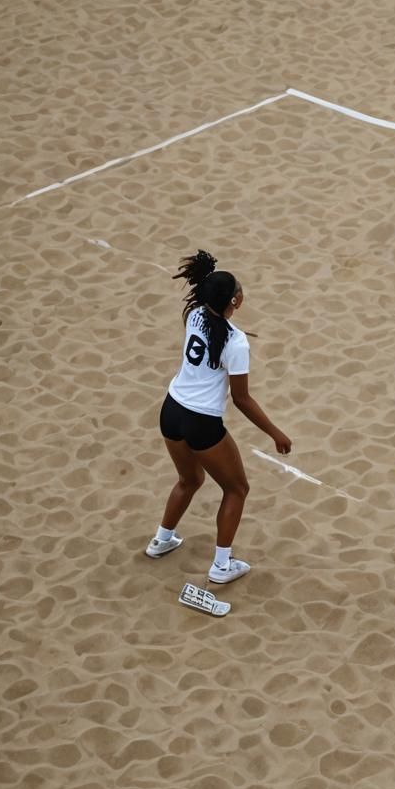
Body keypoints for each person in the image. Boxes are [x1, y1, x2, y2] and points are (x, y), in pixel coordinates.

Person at [143, 250, 292, 585]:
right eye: (238, 288)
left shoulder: (195, 314)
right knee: (237, 488)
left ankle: (162, 540)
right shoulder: (236, 343)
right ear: (235, 301)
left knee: (189, 480)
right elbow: (241, 399)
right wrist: (275, 432)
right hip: (202, 422)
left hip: (171, 410)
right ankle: (221, 566)